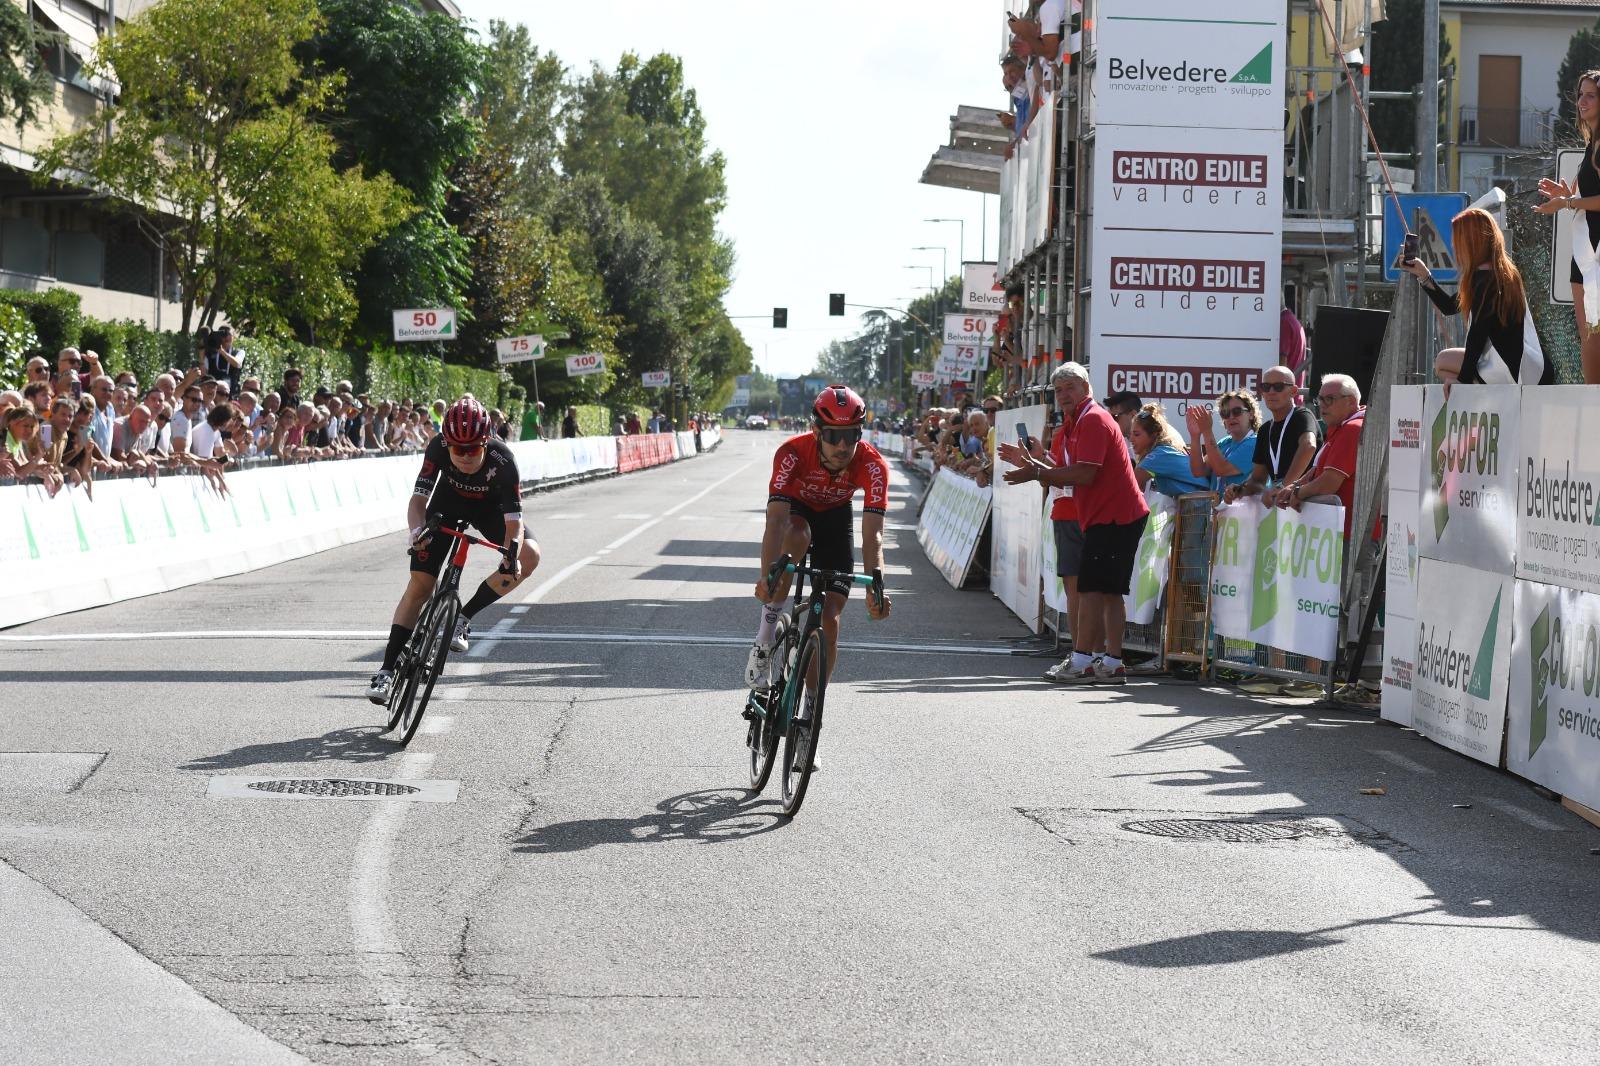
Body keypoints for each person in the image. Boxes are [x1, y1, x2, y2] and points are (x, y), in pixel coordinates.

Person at [368, 398, 542, 705]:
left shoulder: (504, 460)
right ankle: (385, 671)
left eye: (472, 449)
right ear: (446, 443)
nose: (463, 456)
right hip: (447, 506)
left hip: (490, 510)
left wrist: (510, 553)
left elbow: (514, 519)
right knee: (420, 585)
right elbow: (418, 501)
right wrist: (415, 533)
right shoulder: (436, 446)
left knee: (530, 555)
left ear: (486, 443)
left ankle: (463, 617)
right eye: (456, 449)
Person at [999, 362, 1148, 684]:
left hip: (1114, 515)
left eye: (1071, 387)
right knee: (1107, 592)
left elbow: (1084, 474)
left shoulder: (1092, 419)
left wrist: (1035, 471)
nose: (1064, 395)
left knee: (1092, 589)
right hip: (1108, 515)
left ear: (1086, 388)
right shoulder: (1075, 422)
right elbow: (1063, 473)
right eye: (1059, 390)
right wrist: (1031, 464)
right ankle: (1111, 662)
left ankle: (1083, 661)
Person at [745, 385, 893, 702]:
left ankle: (811, 715)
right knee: (797, 534)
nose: (842, 445)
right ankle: (765, 638)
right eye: (832, 435)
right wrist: (766, 576)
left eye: (851, 435)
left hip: (837, 519)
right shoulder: (792, 453)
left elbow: (874, 536)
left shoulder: (873, 465)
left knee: (829, 622)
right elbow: (775, 522)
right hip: (797, 512)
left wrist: (876, 587)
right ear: (816, 431)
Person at [1407, 207, 1553, 385]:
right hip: (1531, 366)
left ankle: (1478, 393)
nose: (1454, 246)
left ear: (1471, 242)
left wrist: (1463, 379)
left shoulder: (1484, 280)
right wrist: (1424, 275)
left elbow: (1478, 334)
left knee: (1442, 363)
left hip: (1511, 370)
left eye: (1458, 240)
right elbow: (1450, 306)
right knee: (1445, 365)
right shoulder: (1504, 273)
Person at [1538, 68, 1600, 384]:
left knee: (1593, 337)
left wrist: (1568, 203)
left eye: (1591, 95)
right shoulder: (1592, 143)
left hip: (1596, 255)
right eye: (1580, 95)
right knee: (1587, 335)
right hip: (1584, 253)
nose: (1582, 101)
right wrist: (1566, 194)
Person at [1272, 374, 1366, 538]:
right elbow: (1318, 470)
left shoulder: (1353, 428)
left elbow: (1328, 483)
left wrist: (1298, 492)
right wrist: (1293, 487)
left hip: (1350, 537)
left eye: (1329, 399)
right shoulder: (1341, 426)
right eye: (1320, 399)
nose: (1322, 405)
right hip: (1336, 533)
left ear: (1350, 401)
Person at [1221, 366, 1318, 504]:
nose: (1271, 392)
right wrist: (1240, 490)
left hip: (1308, 504)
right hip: (1284, 507)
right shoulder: (1265, 430)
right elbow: (1258, 480)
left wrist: (1283, 486)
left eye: (1278, 387)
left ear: (1294, 391)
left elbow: (1308, 446)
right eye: (1266, 387)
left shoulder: (1302, 416)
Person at [1185, 391, 1261, 492]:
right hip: (1220, 506)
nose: (1231, 417)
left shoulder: (1255, 443)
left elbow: (1221, 469)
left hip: (1244, 507)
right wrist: (1195, 435)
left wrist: (1207, 431)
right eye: (1225, 413)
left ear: (1251, 414)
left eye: (1237, 411)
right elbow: (1198, 471)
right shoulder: (1225, 443)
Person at [1130, 405, 1209, 497]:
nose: (1131, 439)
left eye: (1136, 434)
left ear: (1153, 435)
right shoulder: (1162, 451)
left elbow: (1132, 482)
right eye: (1131, 434)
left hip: (1199, 505)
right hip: (1194, 504)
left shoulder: (1160, 454)